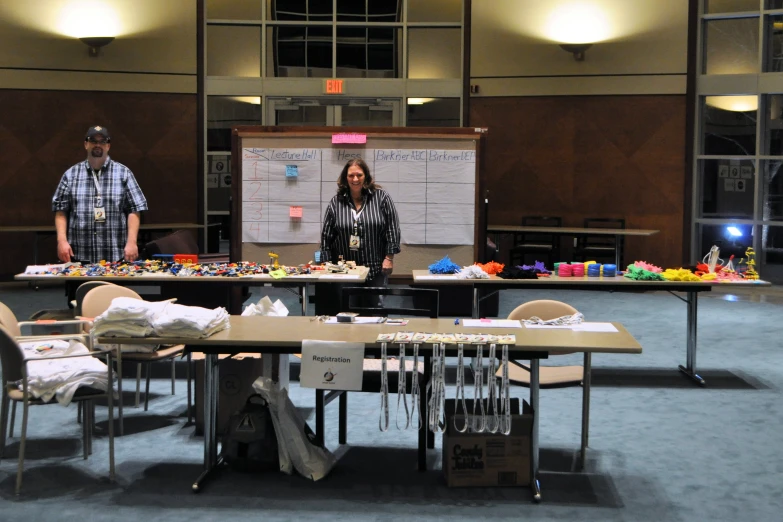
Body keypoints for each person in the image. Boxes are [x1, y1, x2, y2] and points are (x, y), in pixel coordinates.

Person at [52, 126, 148, 264]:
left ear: (108, 146)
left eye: (102, 141)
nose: (98, 145)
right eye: (93, 141)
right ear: (86, 144)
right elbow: (61, 211)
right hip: (79, 255)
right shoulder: (70, 175)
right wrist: (61, 241)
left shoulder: (124, 173)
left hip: (115, 256)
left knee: (111, 287)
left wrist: (132, 243)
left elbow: (135, 210)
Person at [321, 158, 401, 307]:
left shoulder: (381, 198)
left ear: (366, 176)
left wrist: (389, 258)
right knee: (348, 312)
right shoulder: (336, 202)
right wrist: (325, 263)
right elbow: (326, 235)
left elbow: (392, 228)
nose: (355, 179)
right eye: (351, 175)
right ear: (346, 177)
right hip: (345, 270)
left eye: (359, 175)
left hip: (375, 268)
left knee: (375, 311)